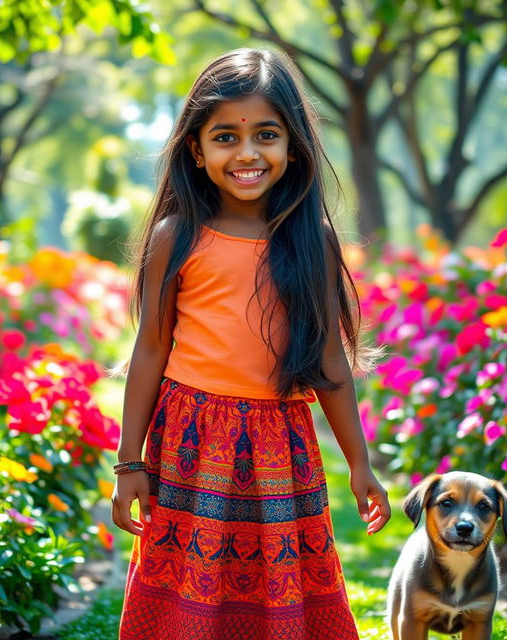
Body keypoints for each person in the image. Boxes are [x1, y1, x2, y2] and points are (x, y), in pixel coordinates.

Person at [111, 47, 390, 640]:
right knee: (192, 582)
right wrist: (129, 462)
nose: (246, 153)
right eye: (225, 137)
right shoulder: (176, 235)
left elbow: (330, 361)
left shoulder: (310, 239)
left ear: (293, 146)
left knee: (280, 586)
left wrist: (360, 463)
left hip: (280, 443)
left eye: (266, 134)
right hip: (191, 437)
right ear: (197, 148)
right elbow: (150, 351)